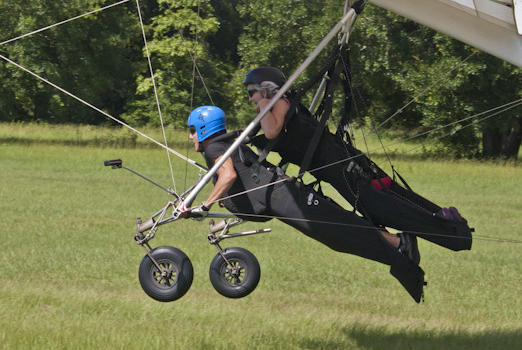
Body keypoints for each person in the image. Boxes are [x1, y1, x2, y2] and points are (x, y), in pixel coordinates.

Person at [179, 105, 426, 303]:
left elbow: (229, 175)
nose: (190, 136)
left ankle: (400, 244)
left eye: (192, 130)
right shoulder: (224, 144)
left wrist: (205, 205)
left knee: (338, 230)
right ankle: (398, 245)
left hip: (283, 196)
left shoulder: (214, 148)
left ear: (204, 129)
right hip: (282, 195)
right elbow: (239, 177)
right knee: (337, 233)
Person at [243, 66, 472, 252]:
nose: (250, 98)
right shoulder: (280, 107)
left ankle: (446, 227)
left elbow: (271, 133)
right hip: (334, 162)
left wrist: (264, 104)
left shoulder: (280, 102)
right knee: (376, 199)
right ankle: (441, 221)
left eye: (252, 92)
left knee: (375, 204)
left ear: (266, 88)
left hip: (335, 162)